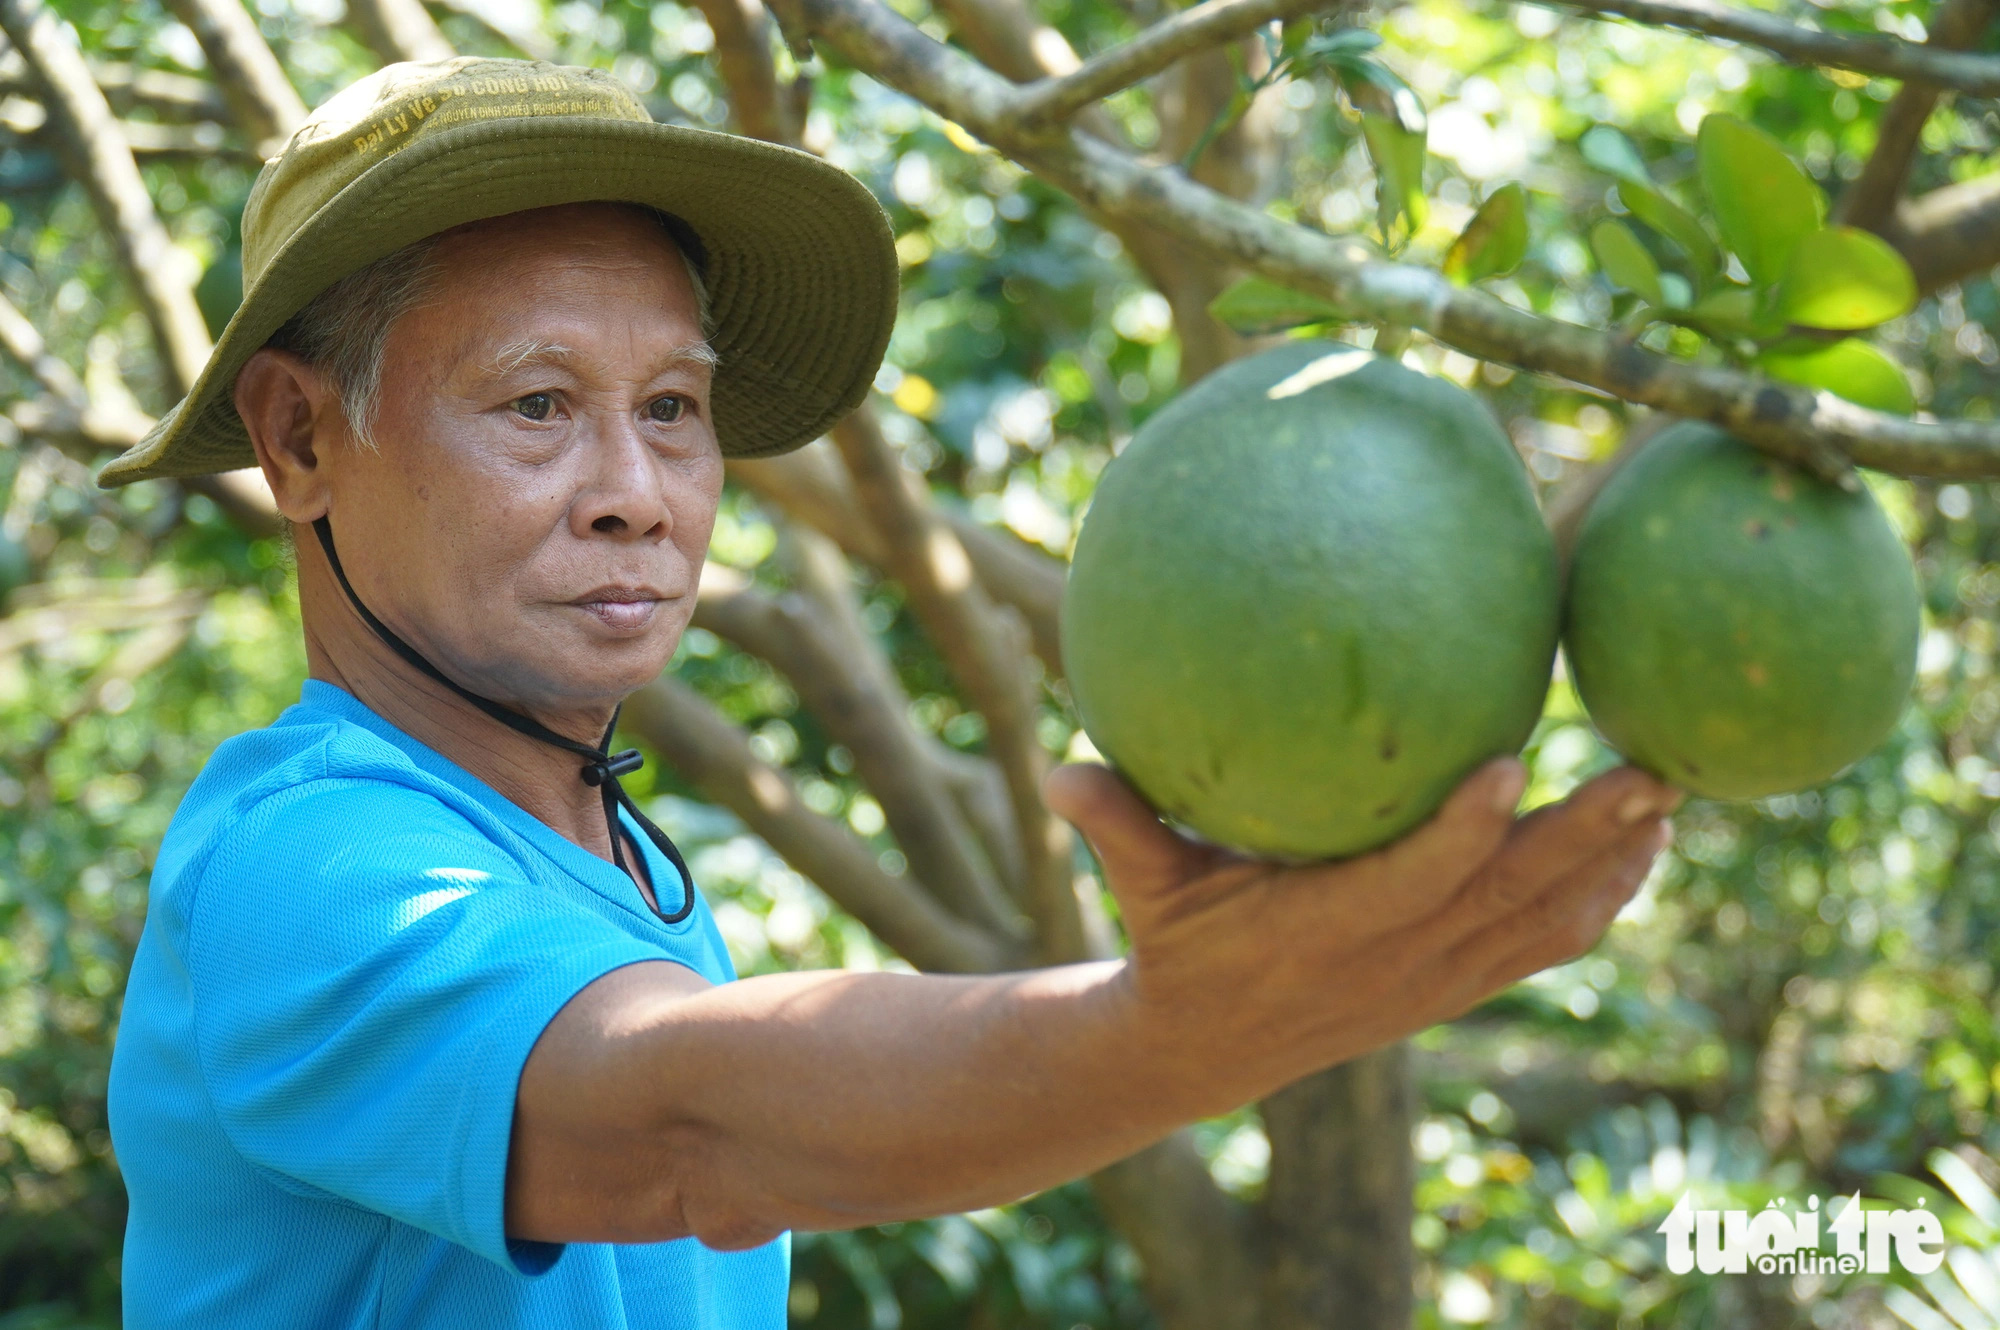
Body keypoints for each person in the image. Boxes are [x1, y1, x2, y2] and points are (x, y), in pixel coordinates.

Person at [100, 54, 1680, 1330]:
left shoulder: (615, 865)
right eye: (536, 404)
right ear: (301, 439)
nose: (637, 491)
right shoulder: (305, 865)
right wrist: (1179, 1031)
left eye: (672, 408)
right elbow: (692, 1122)